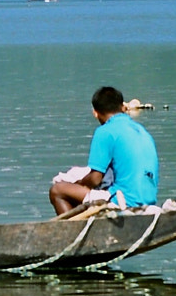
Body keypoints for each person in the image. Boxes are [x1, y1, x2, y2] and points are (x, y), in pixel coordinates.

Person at [50, 86, 159, 215]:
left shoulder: (105, 131)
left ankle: (73, 231)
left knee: (58, 190)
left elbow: (95, 179)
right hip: (148, 199)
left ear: (95, 113)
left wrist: (79, 184)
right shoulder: (141, 130)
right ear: (123, 108)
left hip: (124, 200)